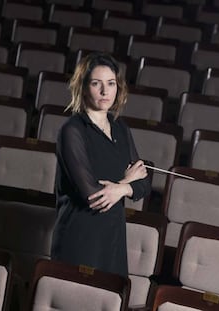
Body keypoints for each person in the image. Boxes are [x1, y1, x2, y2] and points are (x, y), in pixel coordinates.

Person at [51, 52, 151, 277]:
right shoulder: (72, 131)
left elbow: (144, 183)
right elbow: (93, 197)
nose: (105, 92)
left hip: (112, 237)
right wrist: (126, 183)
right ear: (84, 87)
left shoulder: (120, 128)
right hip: (79, 237)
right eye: (97, 84)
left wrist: (123, 188)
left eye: (111, 83)